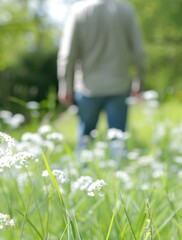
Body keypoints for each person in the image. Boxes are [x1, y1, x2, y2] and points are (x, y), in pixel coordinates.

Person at [57, 0, 146, 159]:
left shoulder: (78, 11)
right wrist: (139, 81)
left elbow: (67, 55)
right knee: (118, 141)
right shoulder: (126, 10)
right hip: (119, 86)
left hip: (87, 88)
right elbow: (139, 52)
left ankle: (80, 177)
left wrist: (65, 86)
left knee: (85, 140)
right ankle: (120, 179)